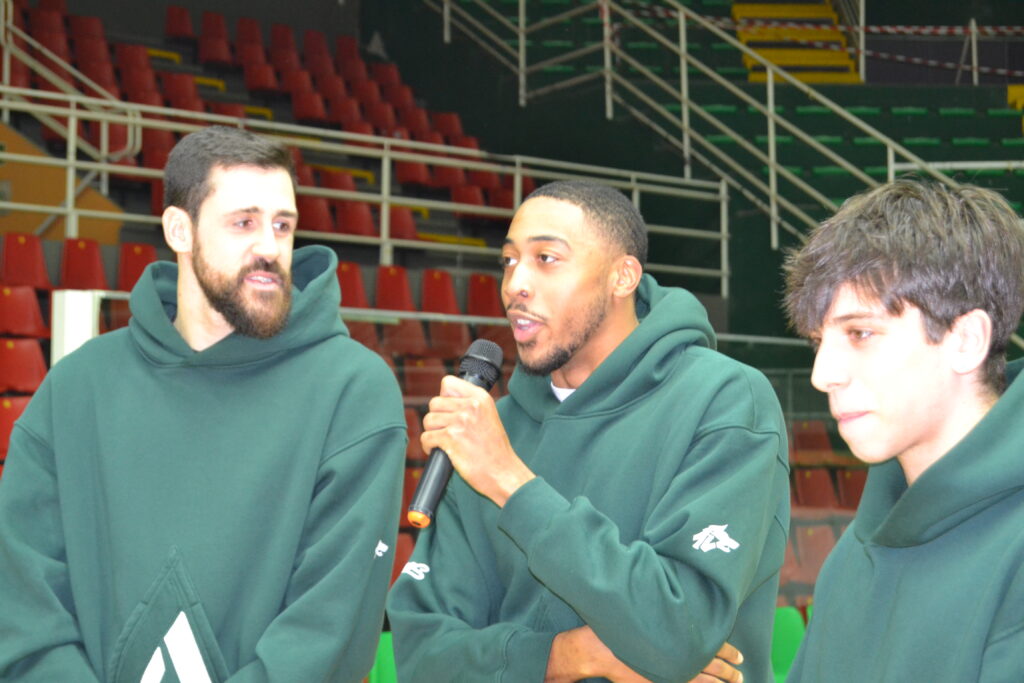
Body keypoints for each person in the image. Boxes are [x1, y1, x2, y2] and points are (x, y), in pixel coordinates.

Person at [0, 126, 406, 681]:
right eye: (243, 222)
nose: (270, 247)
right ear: (179, 229)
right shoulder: (77, 387)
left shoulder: (352, 391)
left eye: (282, 225)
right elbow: (23, 604)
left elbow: (326, 635)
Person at [388, 179, 790, 682]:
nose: (515, 284)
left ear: (622, 277)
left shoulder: (724, 399)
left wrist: (511, 481)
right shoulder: (490, 432)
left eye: (546, 258)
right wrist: (567, 657)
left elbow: (678, 632)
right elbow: (422, 656)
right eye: (509, 260)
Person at [783, 179, 1024, 681]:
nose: (822, 374)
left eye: (860, 333)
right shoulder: (852, 555)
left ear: (965, 340)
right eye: (818, 341)